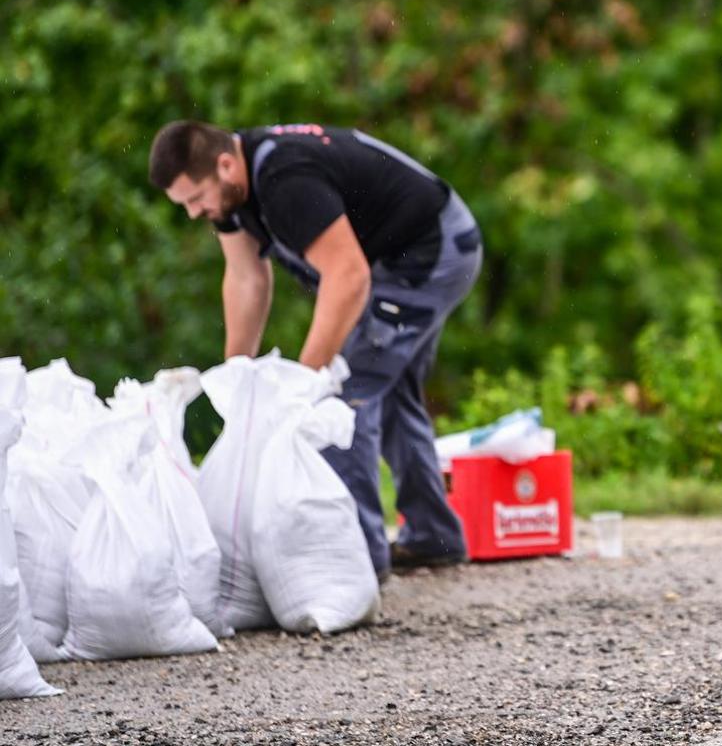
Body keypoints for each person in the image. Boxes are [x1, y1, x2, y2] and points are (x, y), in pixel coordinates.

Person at [149, 120, 483, 580]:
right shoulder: (230, 192)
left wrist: (304, 386)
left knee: (341, 395)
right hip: (390, 257)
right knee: (384, 386)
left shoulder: (285, 180)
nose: (193, 213)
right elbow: (247, 278)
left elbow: (348, 277)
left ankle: (357, 562)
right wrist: (237, 381)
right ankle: (432, 536)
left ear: (225, 165)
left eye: (195, 199)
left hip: (435, 249)